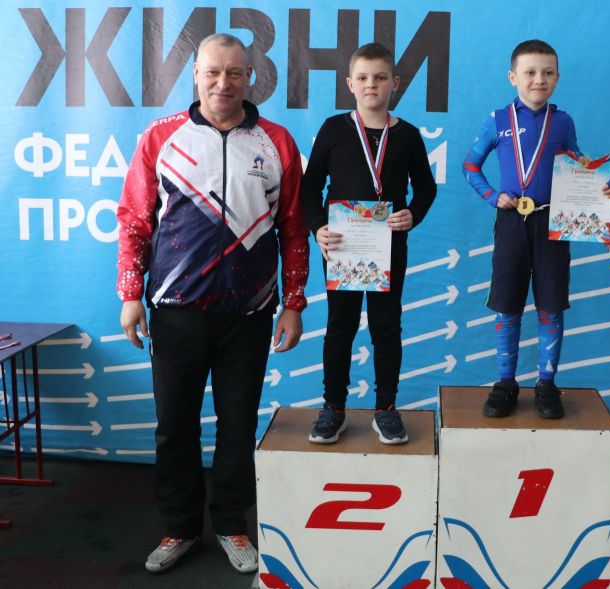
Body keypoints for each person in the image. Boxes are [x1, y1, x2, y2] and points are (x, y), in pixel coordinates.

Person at [116, 33, 308, 574]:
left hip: (249, 315)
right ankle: (179, 527)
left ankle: (231, 524)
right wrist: (130, 295)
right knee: (174, 427)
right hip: (175, 311)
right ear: (195, 76)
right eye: (213, 72)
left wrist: (293, 303)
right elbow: (134, 221)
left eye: (235, 73)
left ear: (250, 77)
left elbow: (294, 229)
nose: (224, 83)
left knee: (238, 427)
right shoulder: (161, 137)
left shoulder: (277, 141)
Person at [463, 39, 610, 419]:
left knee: (551, 306)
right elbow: (470, 166)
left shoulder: (563, 122)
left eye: (547, 73)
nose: (539, 79)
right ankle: (506, 383)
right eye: (530, 72)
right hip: (511, 222)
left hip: (554, 222)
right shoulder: (498, 119)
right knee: (507, 306)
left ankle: (547, 384)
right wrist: (492, 196)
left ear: (557, 78)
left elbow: (582, 163)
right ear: (513, 77)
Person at [300, 43, 436, 445]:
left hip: (388, 247)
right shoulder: (333, 130)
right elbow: (309, 188)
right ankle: (334, 408)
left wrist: (413, 214)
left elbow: (426, 188)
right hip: (341, 246)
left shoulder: (408, 135)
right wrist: (317, 228)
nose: (371, 84)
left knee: (386, 326)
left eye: (380, 77)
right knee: (339, 327)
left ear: (395, 83)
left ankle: (386, 408)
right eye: (362, 78)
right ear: (349, 84)